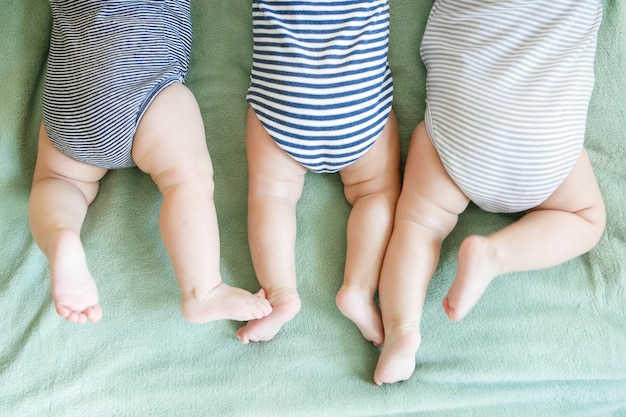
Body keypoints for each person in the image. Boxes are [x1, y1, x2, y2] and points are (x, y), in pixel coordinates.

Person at [373, 0, 606, 385]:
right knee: (585, 219)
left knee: (419, 224)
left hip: (464, 123)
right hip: (543, 140)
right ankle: (496, 256)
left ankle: (401, 329)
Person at [29, 0, 272, 324]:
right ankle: (203, 290)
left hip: (72, 99)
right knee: (187, 181)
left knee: (58, 181)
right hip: (143, 85)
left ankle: (60, 232)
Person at [236, 0, 401, 345]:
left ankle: (280, 294)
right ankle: (358, 289)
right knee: (376, 193)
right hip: (358, 106)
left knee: (272, 196)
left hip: (286, 103)